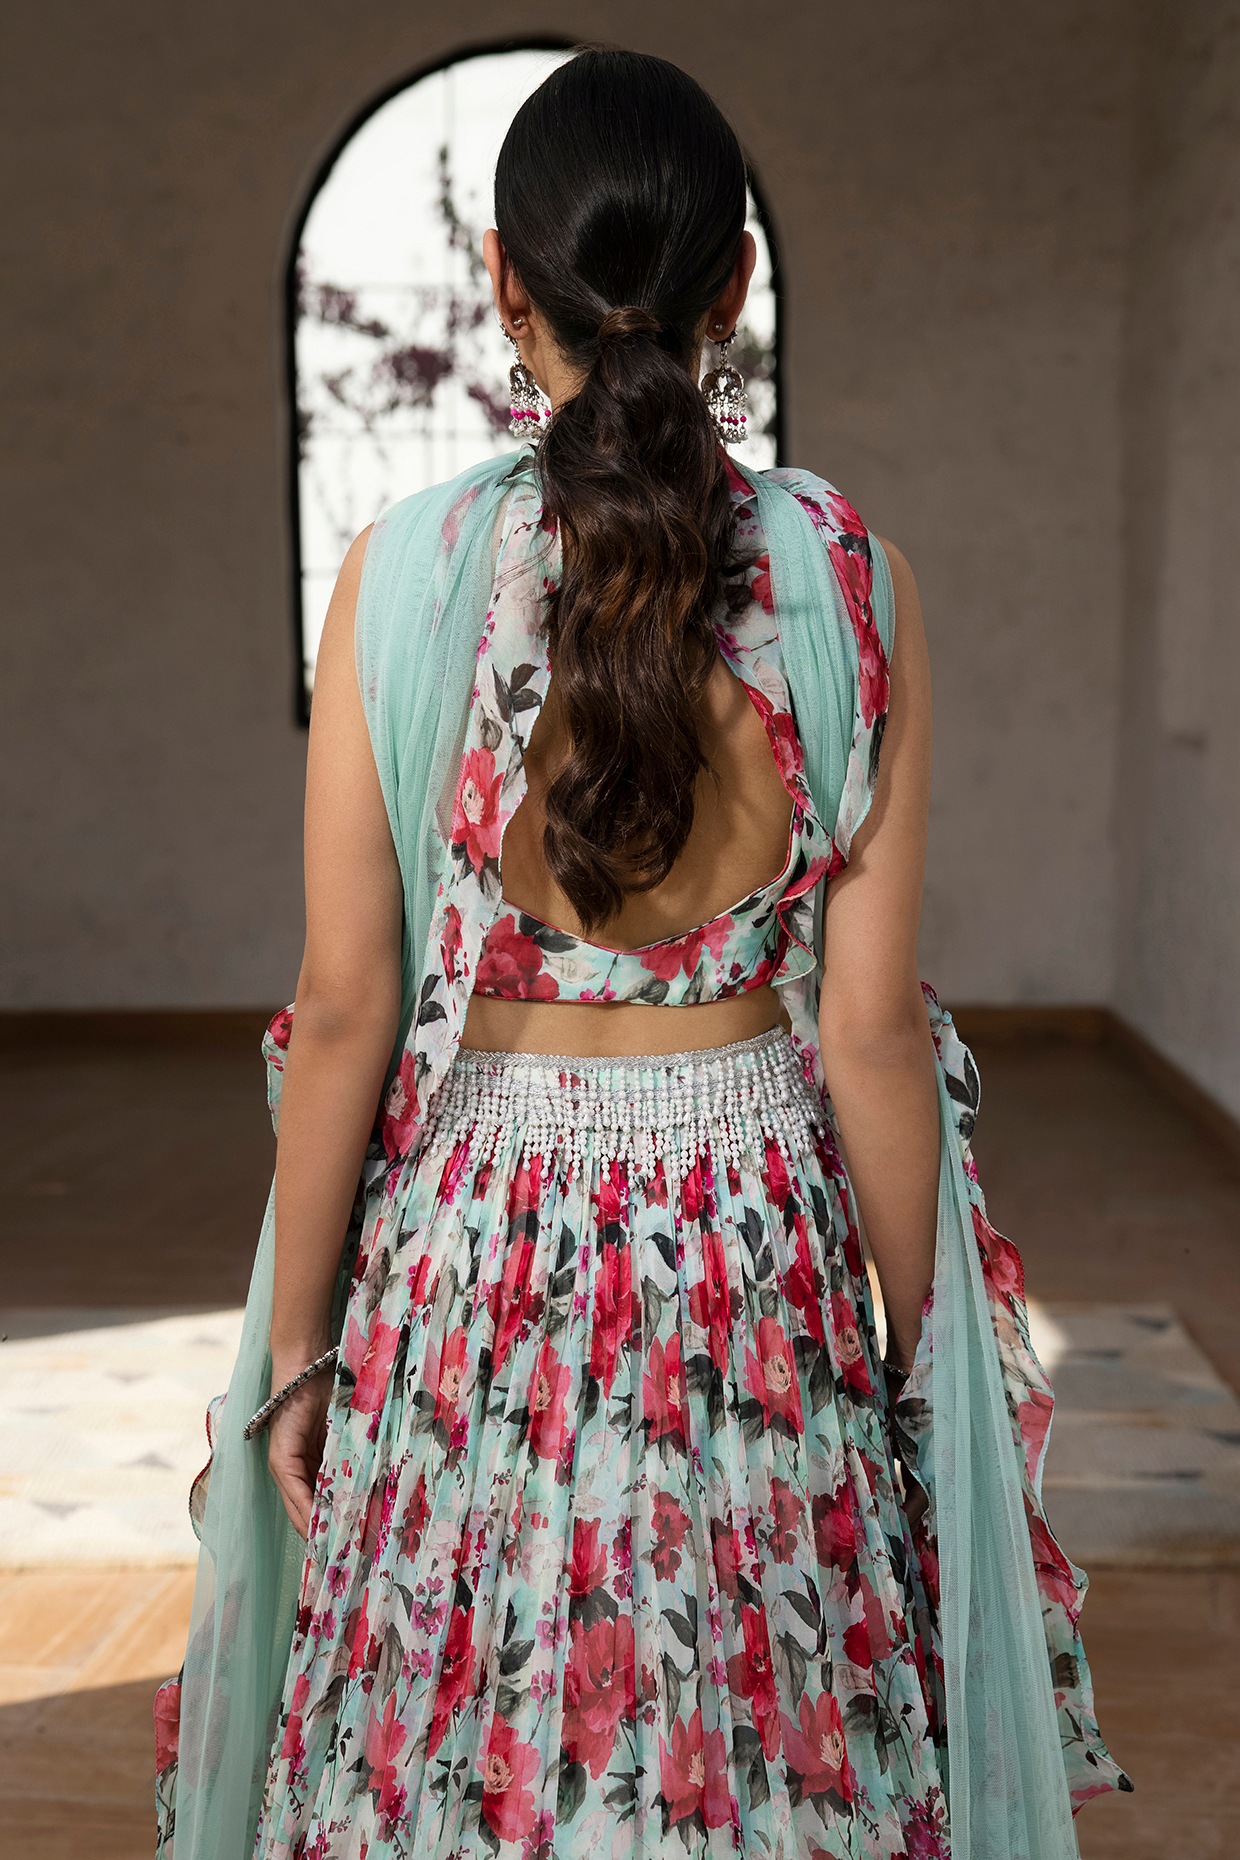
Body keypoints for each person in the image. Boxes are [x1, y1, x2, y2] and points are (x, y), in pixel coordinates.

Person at [155, 45, 1130, 1860]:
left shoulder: (406, 572)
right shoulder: (848, 577)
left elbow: (349, 1009)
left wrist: (299, 1353)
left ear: (502, 284)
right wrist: (931, 1374)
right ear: (734, 284)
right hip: (751, 1251)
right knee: (762, 1752)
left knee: (459, 1758)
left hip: (476, 1259)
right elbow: (868, 1037)